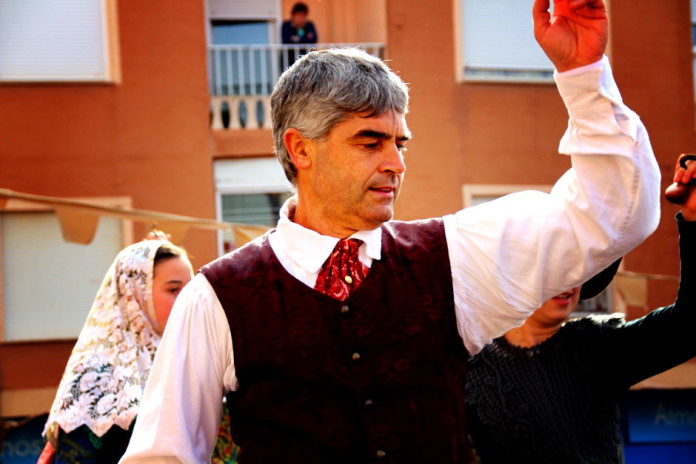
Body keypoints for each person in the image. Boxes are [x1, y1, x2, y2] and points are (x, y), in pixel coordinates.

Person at [121, 0, 661, 462]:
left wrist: (585, 74)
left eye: (399, 144)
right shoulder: (216, 297)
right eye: (369, 142)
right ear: (300, 148)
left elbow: (608, 218)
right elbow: (163, 454)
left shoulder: (450, 258)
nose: (396, 164)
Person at [465, 156, 696, 464]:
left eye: (575, 266)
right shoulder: (465, 366)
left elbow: (691, 324)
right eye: (553, 265)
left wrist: (693, 218)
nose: (568, 278)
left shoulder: (597, 347)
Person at [41, 234, 193, 463]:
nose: (186, 300)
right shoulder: (95, 372)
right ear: (134, 294)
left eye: (190, 290)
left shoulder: (184, 356)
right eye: (173, 290)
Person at [281, 2, 317, 67]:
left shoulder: (309, 25)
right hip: (289, 61)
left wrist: (296, 39)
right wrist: (306, 38)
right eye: (299, 15)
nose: (301, 18)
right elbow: (286, 40)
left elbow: (313, 40)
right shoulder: (286, 25)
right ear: (293, 15)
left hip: (306, 61)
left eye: (303, 15)